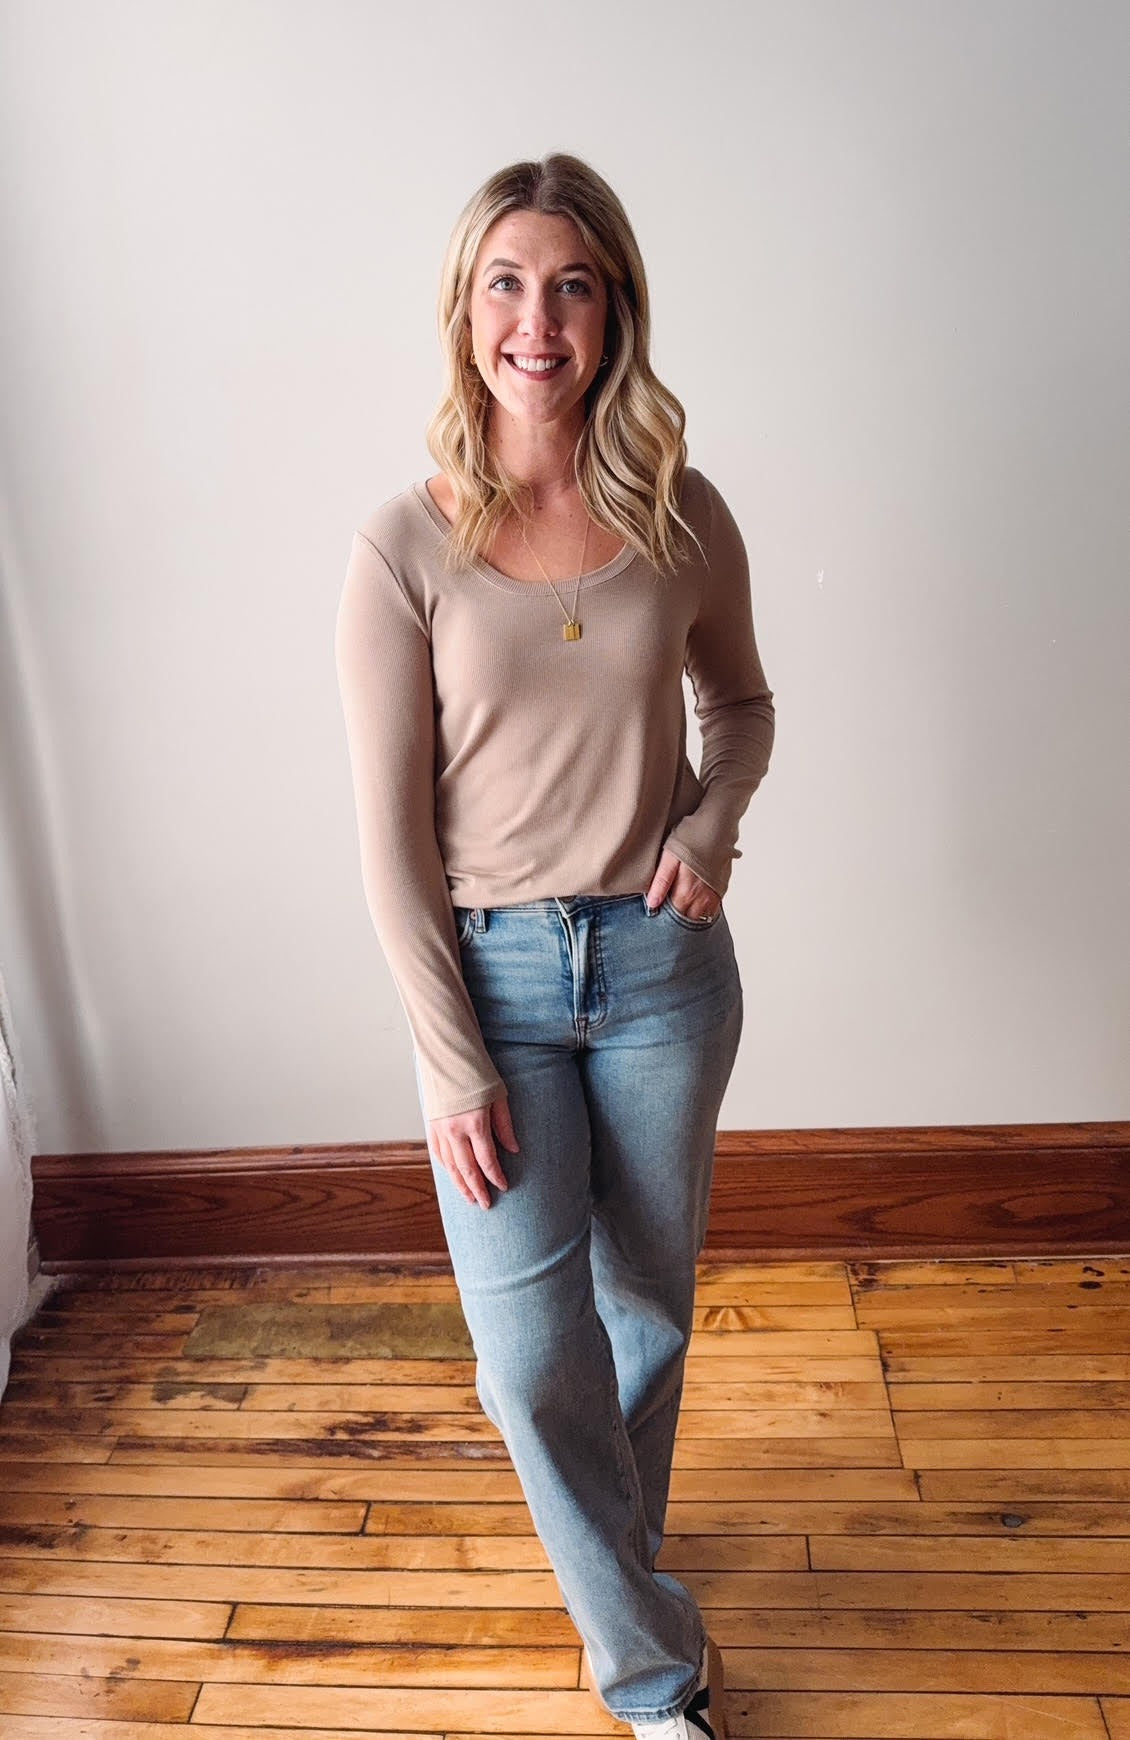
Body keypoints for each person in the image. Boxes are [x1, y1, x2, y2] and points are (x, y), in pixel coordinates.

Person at [334, 152, 774, 1740]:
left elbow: (743, 707)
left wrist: (708, 827)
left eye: (572, 285)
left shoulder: (677, 510)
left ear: (614, 313)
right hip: (496, 991)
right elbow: (386, 836)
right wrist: (448, 1061)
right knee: (530, 1363)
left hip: (661, 976)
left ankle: (618, 1568)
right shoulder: (404, 544)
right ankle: (656, 1677)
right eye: (507, 284)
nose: (539, 318)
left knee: (645, 1309)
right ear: (465, 313)